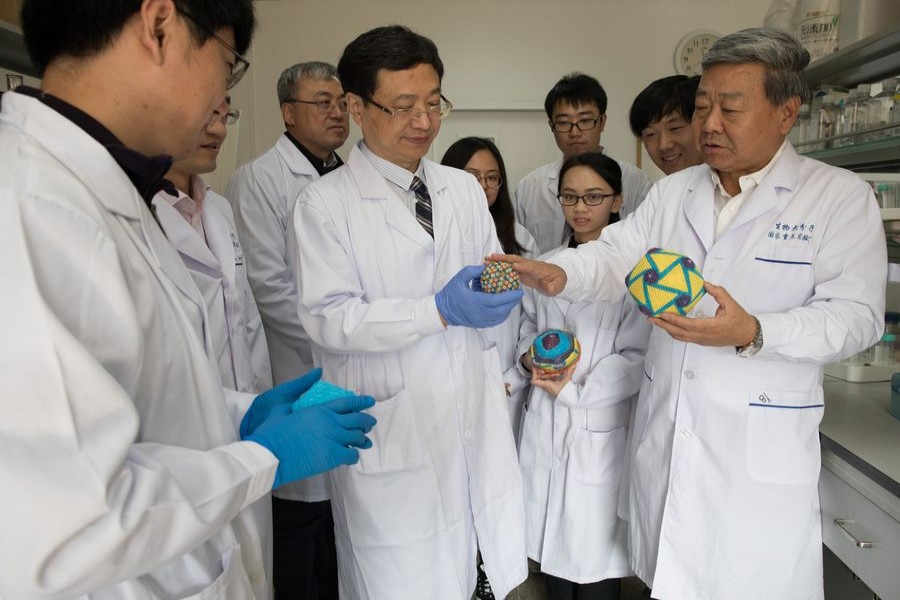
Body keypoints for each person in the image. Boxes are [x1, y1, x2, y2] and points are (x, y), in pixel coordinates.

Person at [493, 28, 886, 600]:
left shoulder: (836, 197)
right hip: (666, 445)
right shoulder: (677, 192)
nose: (710, 124)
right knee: (663, 581)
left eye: (731, 107)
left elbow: (856, 317)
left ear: (786, 112)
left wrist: (755, 332)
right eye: (703, 106)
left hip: (752, 461)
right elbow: (619, 252)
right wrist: (563, 273)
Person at [0, 1, 377, 598]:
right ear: (159, 26)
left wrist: (236, 413)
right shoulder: (28, 209)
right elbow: (67, 526)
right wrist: (258, 457)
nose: (218, 108)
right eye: (227, 66)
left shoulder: (113, 191)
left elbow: (137, 394)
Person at [289, 25, 528, 600]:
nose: (423, 121)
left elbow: (488, 263)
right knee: (402, 581)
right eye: (402, 107)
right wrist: (437, 310)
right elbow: (329, 318)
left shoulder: (461, 189)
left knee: (481, 573)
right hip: (392, 427)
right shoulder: (324, 204)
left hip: (471, 410)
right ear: (356, 106)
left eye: (432, 103)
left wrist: (503, 285)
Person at [226, 61, 349, 600]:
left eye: (342, 102)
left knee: (343, 511)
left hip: (344, 355)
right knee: (302, 515)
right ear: (287, 112)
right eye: (322, 102)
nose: (338, 112)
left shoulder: (347, 173)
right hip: (300, 363)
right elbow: (269, 287)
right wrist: (341, 337)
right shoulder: (259, 178)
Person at [518, 152, 650, 600]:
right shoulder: (547, 266)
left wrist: (574, 390)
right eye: (570, 196)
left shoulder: (635, 275)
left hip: (598, 428)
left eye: (593, 196)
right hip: (546, 418)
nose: (580, 207)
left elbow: (635, 356)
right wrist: (529, 359)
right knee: (554, 566)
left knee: (595, 574)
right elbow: (528, 330)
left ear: (617, 202)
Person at [441, 136, 538, 600]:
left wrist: (514, 374)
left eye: (492, 177)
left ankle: (489, 581)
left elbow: (534, 322)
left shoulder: (521, 244)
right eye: (471, 177)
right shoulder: (440, 240)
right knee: (457, 498)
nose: (483, 186)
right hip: (454, 390)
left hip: (507, 389)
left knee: (498, 496)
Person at [154, 97, 272, 395]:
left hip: (245, 410)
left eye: (224, 115)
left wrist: (262, 402)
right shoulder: (140, 212)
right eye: (207, 115)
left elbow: (247, 321)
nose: (219, 129)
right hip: (185, 418)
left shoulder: (218, 208)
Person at [515, 73, 652, 254]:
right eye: (563, 123)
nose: (575, 132)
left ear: (602, 122)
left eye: (585, 121)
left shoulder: (636, 181)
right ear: (551, 125)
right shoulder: (529, 187)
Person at [628, 75, 704, 176]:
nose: (664, 145)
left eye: (674, 128)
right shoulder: (660, 190)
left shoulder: (727, 188)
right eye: (651, 134)